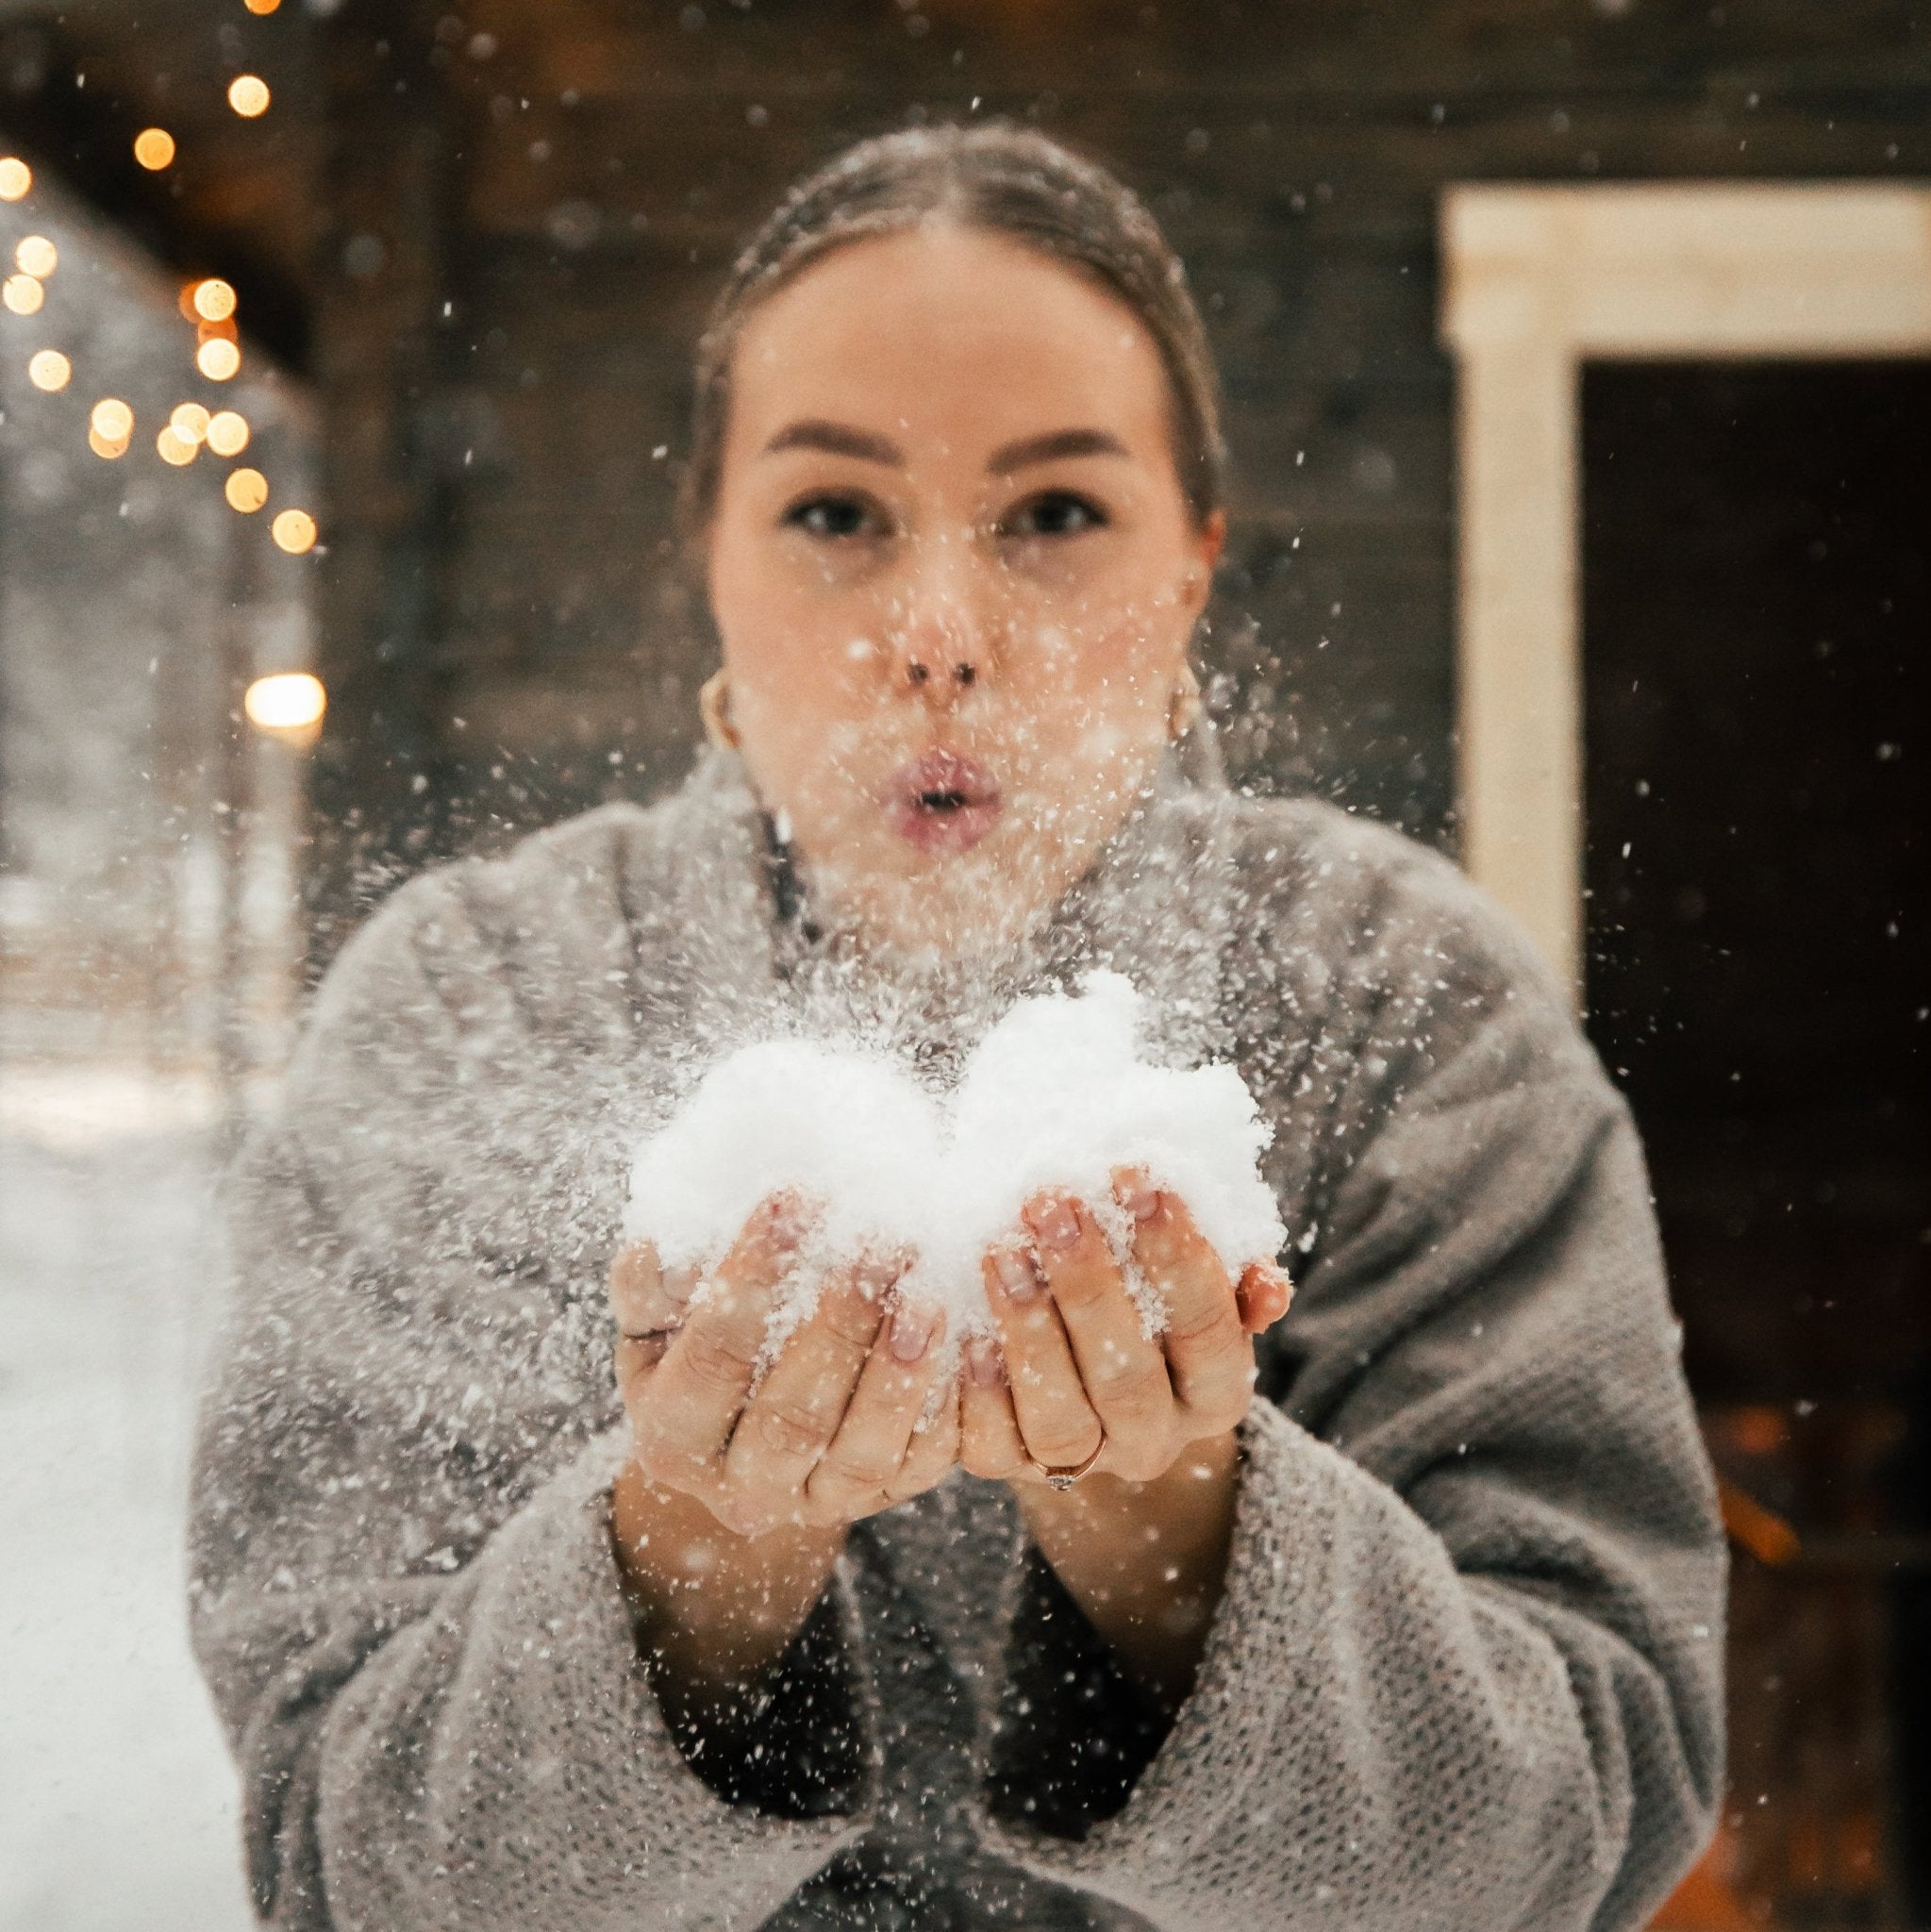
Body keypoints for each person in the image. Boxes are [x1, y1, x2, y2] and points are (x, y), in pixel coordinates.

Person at [189, 124, 1725, 1932]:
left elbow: (1586, 1824)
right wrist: (691, 1564)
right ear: (712, 554)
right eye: (836, 514)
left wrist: (1180, 1546)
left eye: (1056, 515)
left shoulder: (1403, 1004)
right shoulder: (472, 1010)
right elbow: (344, 1861)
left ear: (1193, 567)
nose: (940, 634)